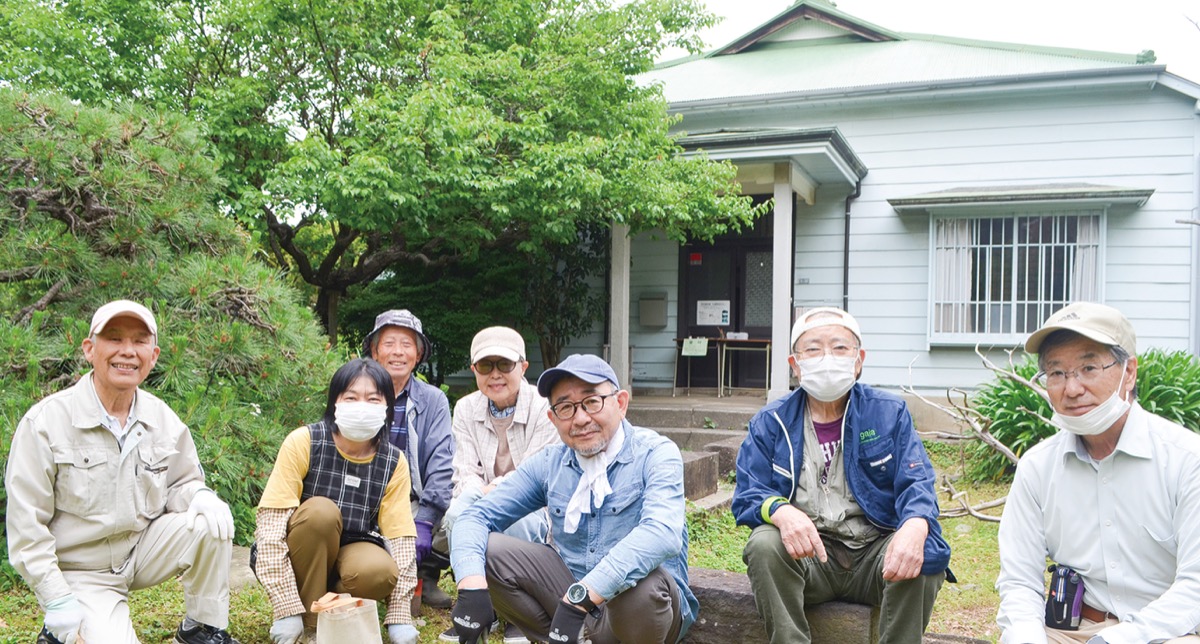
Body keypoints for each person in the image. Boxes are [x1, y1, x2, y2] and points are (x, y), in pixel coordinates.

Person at [5, 300, 239, 644]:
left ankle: (201, 629)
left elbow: (182, 483)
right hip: (84, 569)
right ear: (89, 349)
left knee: (210, 523)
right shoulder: (45, 422)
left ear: (153, 356)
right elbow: (26, 526)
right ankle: (63, 629)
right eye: (114, 338)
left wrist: (200, 494)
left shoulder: (162, 418)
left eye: (139, 341)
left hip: (140, 550)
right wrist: (56, 598)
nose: (127, 351)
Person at [733, 306, 950, 644]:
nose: (827, 359)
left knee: (924, 547)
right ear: (795, 365)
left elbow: (917, 482)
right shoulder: (771, 422)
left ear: (858, 359)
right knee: (764, 544)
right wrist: (781, 511)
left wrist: (915, 525)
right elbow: (748, 493)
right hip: (809, 558)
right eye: (813, 349)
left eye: (839, 348)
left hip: (875, 556)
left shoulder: (888, 412)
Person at [449, 354, 698, 644]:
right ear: (553, 418)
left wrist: (582, 596)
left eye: (592, 402)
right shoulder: (550, 463)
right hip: (570, 605)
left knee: (643, 589)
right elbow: (475, 516)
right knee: (489, 551)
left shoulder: (655, 453)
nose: (580, 419)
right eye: (566, 407)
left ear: (620, 403)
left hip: (636, 611)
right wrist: (471, 584)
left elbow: (662, 533)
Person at [996, 302, 1200, 644]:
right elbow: (1019, 582)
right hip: (1072, 632)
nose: (1072, 389)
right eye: (1056, 373)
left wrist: (1118, 639)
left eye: (1088, 368)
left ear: (1129, 372)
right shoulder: (1037, 467)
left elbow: (1196, 586)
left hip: (1169, 632)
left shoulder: (1187, 460)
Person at [254, 358, 418, 644]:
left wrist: (399, 614)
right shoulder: (304, 441)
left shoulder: (394, 461)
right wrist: (284, 606)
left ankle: (334, 612)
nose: (362, 406)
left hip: (353, 551)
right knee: (321, 513)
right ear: (335, 403)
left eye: (373, 399)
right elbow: (271, 525)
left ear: (387, 408)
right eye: (351, 398)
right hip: (304, 550)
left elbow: (400, 537)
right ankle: (306, 619)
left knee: (379, 571)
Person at [438, 327, 560, 643]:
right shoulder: (465, 408)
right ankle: (478, 606)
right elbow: (464, 470)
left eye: (504, 364)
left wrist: (492, 494)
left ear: (523, 366)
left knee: (517, 519)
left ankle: (517, 613)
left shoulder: (545, 407)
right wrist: (482, 494)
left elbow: (533, 477)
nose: (495, 374)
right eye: (485, 365)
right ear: (473, 369)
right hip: (481, 495)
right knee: (457, 514)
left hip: (535, 506)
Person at [363, 309, 455, 609]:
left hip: (413, 499)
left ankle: (424, 576)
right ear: (375, 351)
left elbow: (442, 463)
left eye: (407, 344)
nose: (398, 352)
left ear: (418, 355)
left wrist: (426, 519)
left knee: (457, 518)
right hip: (364, 498)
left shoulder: (433, 400)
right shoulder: (356, 391)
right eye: (389, 343)